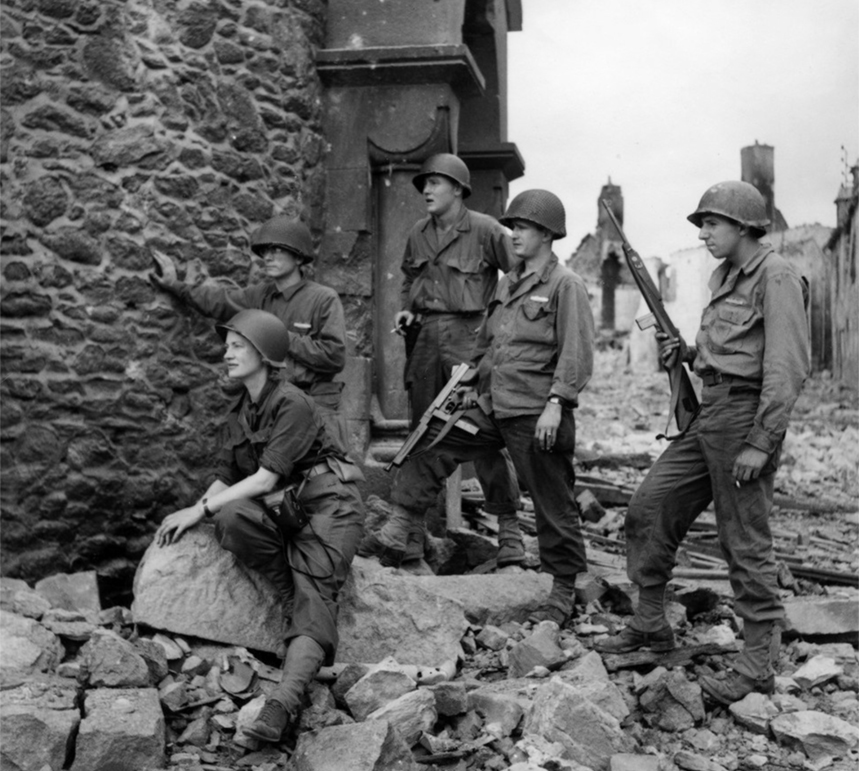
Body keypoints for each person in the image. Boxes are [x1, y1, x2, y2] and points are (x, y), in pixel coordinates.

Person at [600, 180, 810, 705]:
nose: (704, 234)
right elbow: (730, 352)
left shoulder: (777, 275)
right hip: (709, 412)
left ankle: (756, 666)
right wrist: (689, 355)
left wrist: (762, 441)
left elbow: (786, 367)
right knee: (649, 507)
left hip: (744, 419)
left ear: (743, 226)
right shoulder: (725, 277)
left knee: (743, 539)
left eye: (712, 224)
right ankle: (650, 622)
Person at [361, 189, 595, 625]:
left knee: (552, 502)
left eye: (523, 228)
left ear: (547, 235)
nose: (515, 235)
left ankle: (562, 590)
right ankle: (399, 524)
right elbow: (490, 341)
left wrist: (557, 404)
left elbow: (576, 355)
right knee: (434, 438)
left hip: (535, 413)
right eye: (513, 227)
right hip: (492, 406)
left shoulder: (566, 285)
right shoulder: (508, 284)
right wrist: (471, 375)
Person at [155, 308, 364, 743]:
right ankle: (290, 594)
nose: (226, 354)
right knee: (229, 516)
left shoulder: (292, 402)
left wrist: (199, 510)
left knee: (315, 597)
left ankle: (283, 704)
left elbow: (265, 479)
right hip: (284, 508)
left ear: (264, 353)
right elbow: (228, 479)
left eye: (237, 346)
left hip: (329, 506)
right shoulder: (241, 409)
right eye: (227, 346)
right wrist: (196, 509)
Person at [380, 152, 523, 566]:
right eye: (424, 184)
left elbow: (520, 277)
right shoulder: (418, 233)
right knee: (423, 434)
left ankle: (510, 533)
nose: (426, 190)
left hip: (472, 339)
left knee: (481, 433)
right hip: (426, 339)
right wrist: (407, 309)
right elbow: (410, 278)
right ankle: (411, 535)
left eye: (435, 183)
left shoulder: (486, 230)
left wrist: (499, 329)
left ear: (458, 189)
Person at [151, 216, 349, 445]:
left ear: (298, 257)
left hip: (314, 406)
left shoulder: (323, 299)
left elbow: (335, 356)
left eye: (277, 250)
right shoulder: (259, 296)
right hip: (272, 406)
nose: (268, 257)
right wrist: (175, 286)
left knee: (317, 466)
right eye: (265, 251)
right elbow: (218, 301)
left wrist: (280, 336)